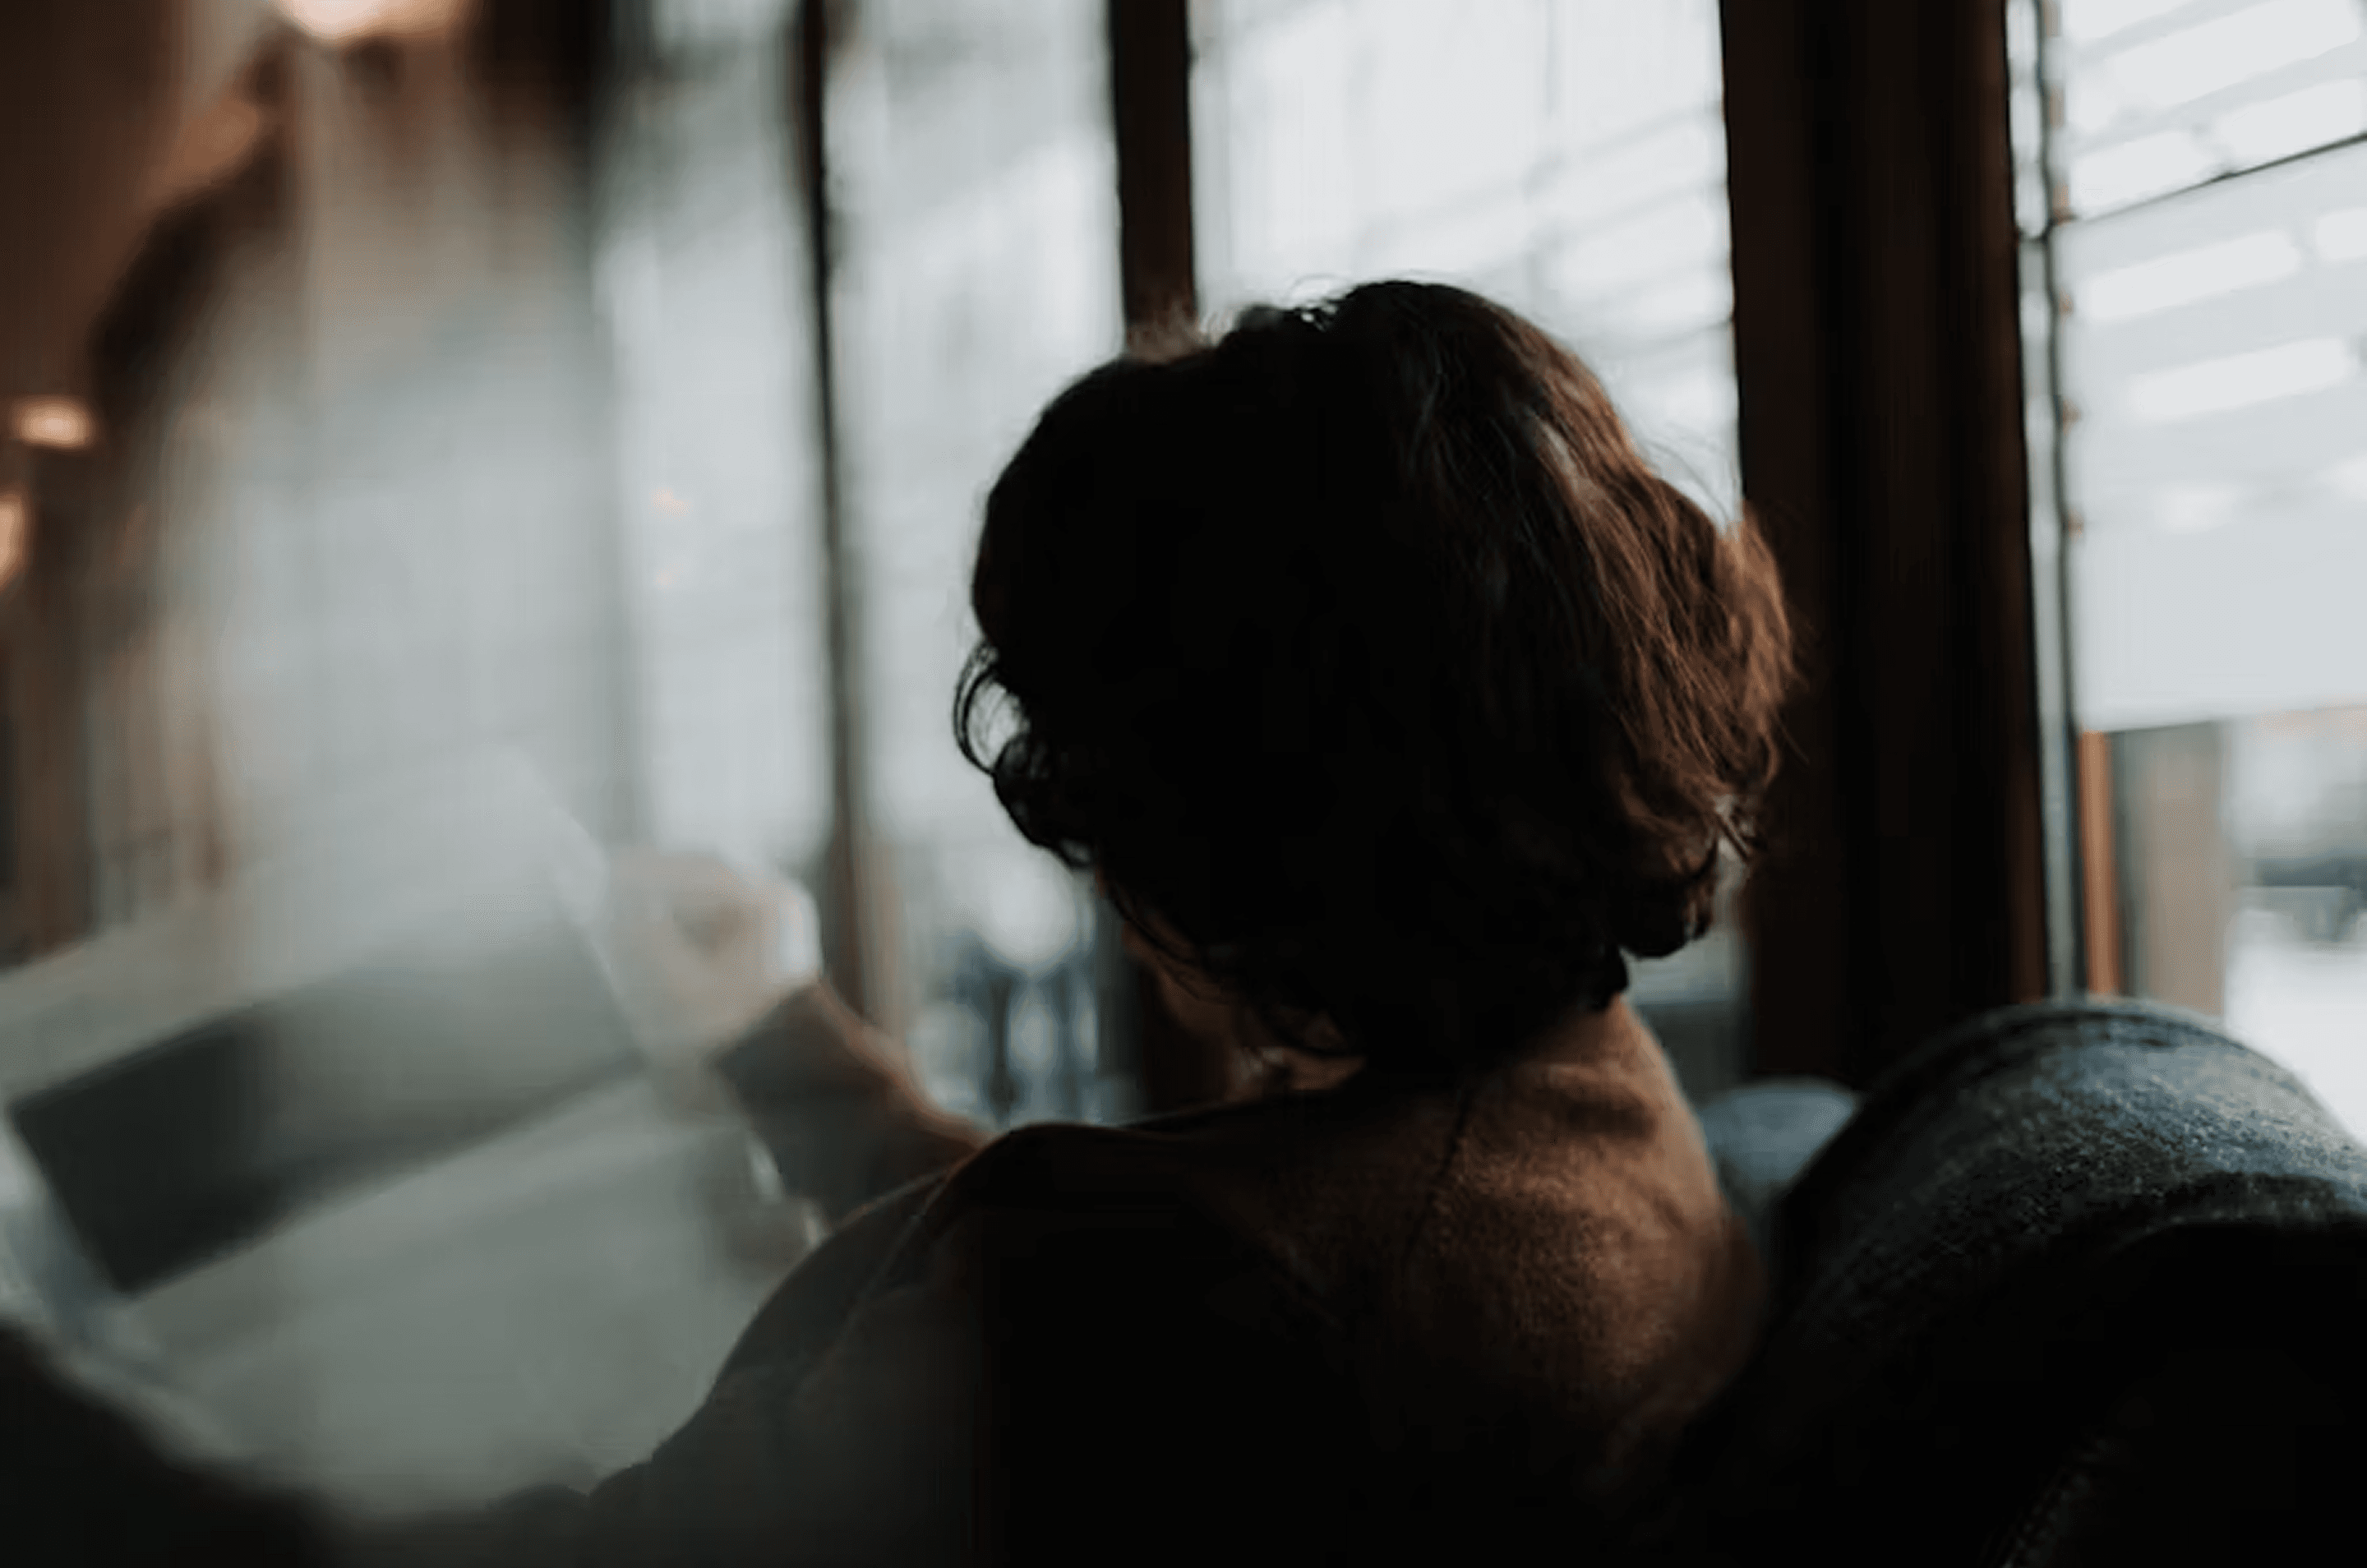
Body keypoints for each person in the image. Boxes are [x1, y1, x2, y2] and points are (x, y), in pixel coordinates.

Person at [1, 279, 1793, 1566]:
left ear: (1197, 804)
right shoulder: (1586, 1114)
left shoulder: (1203, 1300)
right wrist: (777, 1035)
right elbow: (1169, 1276)